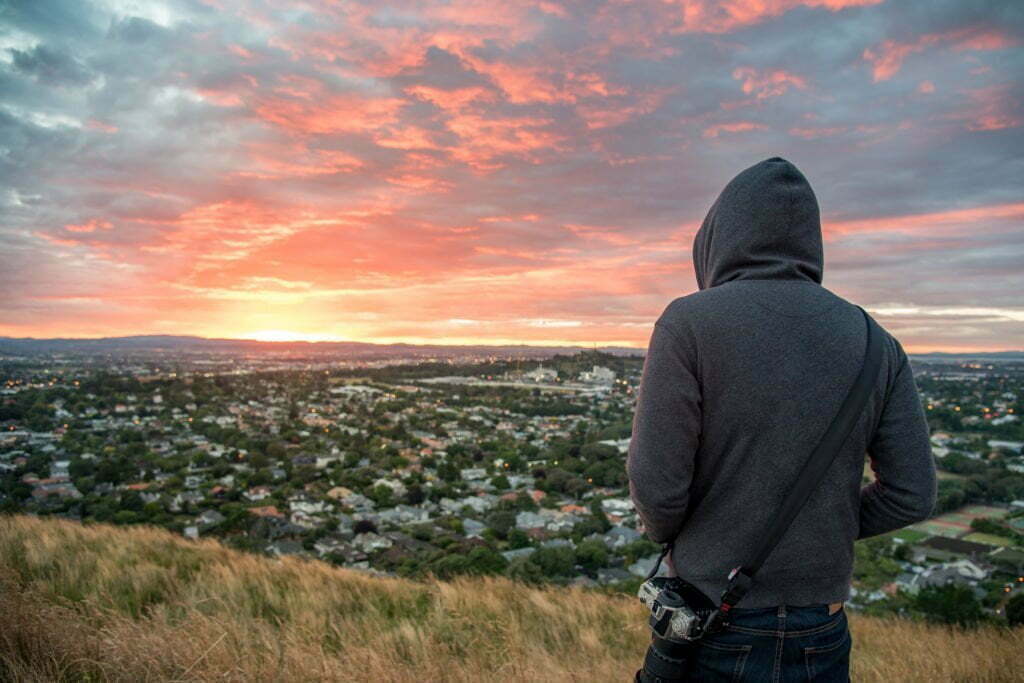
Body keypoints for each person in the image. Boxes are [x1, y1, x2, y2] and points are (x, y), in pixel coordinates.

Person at [626, 157, 938, 681]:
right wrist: (819, 532)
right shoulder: (876, 342)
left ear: (717, 240)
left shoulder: (690, 324)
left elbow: (656, 488)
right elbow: (913, 493)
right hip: (824, 626)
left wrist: (706, 539)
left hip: (715, 616)